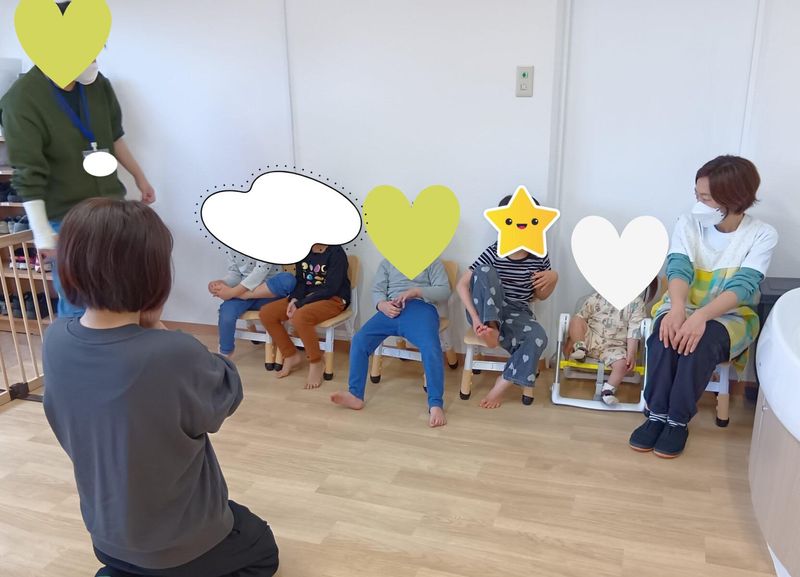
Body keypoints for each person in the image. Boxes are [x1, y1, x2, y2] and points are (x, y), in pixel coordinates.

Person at [43, 199, 279, 577]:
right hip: (179, 546)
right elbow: (227, 394)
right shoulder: (171, 352)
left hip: (106, 536)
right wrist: (161, 328)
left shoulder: (55, 340)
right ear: (153, 274)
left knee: (234, 520)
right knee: (261, 546)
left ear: (69, 266)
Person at [0, 1, 154, 319]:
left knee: (116, 294)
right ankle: (73, 350)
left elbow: (114, 136)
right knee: (76, 301)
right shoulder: (21, 99)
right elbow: (28, 172)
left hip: (110, 209)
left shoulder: (98, 85)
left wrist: (140, 178)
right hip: (67, 217)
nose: (94, 57)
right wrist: (42, 231)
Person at [630, 156, 778, 458]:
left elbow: (743, 286)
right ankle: (656, 414)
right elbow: (678, 267)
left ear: (733, 198)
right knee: (664, 337)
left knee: (698, 344)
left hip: (731, 315)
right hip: (682, 303)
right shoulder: (687, 223)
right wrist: (678, 308)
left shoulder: (761, 234)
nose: (698, 203)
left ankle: (677, 421)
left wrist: (701, 317)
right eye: (697, 194)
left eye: (706, 197)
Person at [456, 195, 558, 408]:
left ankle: (502, 383)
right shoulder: (494, 252)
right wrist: (476, 319)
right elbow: (462, 285)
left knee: (538, 337)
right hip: (485, 310)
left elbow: (541, 296)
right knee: (484, 271)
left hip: (517, 312)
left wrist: (553, 277)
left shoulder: (539, 256)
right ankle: (491, 329)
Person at [331, 259, 450, 427]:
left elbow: (444, 291)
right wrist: (382, 305)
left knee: (431, 347)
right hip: (391, 309)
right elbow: (378, 289)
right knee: (360, 340)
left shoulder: (432, 261)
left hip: (421, 309)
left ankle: (436, 404)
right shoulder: (388, 262)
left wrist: (416, 292)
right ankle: (355, 395)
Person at [259, 244, 350, 389]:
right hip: (305, 298)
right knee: (267, 313)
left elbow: (331, 288)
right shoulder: (303, 250)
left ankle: (316, 362)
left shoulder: (336, 252)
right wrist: (295, 299)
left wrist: (300, 304)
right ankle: (290, 355)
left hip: (333, 299)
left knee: (300, 316)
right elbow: (300, 281)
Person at [564, 290, 647, 405]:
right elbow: (582, 317)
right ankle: (580, 348)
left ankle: (608, 390)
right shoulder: (596, 297)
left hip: (615, 346)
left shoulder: (636, 303)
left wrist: (631, 353)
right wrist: (572, 340)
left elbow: (634, 330)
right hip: (591, 339)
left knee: (622, 364)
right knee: (576, 320)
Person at [208, 251, 296, 358]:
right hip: (242, 293)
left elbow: (260, 271)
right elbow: (234, 274)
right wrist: (222, 284)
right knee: (226, 313)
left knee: (288, 279)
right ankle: (224, 353)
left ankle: (245, 295)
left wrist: (233, 293)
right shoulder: (233, 249)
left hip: (269, 294)